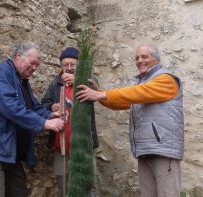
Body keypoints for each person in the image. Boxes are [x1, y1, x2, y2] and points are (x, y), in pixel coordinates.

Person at [76, 44, 184, 197]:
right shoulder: (143, 84)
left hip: (163, 151)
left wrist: (102, 95)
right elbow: (122, 102)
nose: (139, 61)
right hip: (145, 150)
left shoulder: (165, 79)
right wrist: (100, 93)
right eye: (137, 58)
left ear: (156, 59)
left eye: (144, 57)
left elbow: (138, 93)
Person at [0, 42, 64, 197]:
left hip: (10, 153)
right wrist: (44, 123)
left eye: (37, 66)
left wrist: (49, 115)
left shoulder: (22, 81)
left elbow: (34, 107)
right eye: (32, 63)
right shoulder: (0, 73)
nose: (34, 68)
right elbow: (10, 107)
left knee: (19, 192)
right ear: (18, 56)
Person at [41, 47, 99, 197]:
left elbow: (96, 90)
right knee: (63, 186)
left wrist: (78, 79)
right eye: (65, 65)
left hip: (83, 145)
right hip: (61, 145)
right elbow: (44, 103)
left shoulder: (88, 79)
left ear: (78, 65)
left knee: (85, 184)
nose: (68, 68)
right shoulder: (56, 83)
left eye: (72, 64)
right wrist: (52, 106)